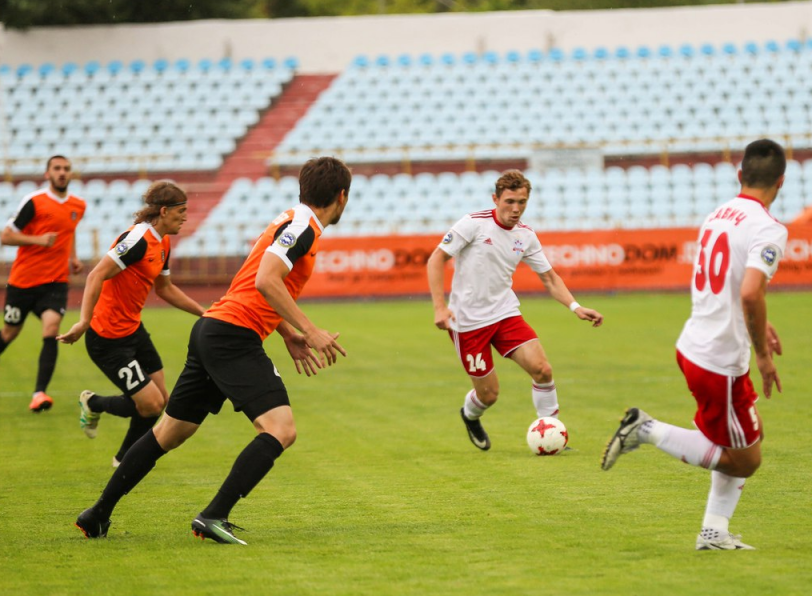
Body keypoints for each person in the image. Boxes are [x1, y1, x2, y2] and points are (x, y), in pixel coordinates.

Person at [74, 156, 350, 545]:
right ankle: (213, 515)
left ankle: (97, 513)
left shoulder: (288, 219)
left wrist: (286, 332)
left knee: (170, 431)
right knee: (280, 429)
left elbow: (253, 282)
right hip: (231, 337)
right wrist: (310, 329)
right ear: (342, 196)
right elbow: (267, 280)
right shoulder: (302, 227)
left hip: (214, 329)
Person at [601, 139, 788, 551]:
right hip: (720, 359)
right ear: (782, 181)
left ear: (740, 175)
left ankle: (714, 533)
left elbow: (733, 282)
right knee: (747, 459)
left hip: (696, 345)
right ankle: (645, 430)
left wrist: (761, 320)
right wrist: (761, 353)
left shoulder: (718, 213)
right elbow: (751, 291)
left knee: (736, 444)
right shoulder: (769, 228)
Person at [426, 170, 603, 451]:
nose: (516, 209)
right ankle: (470, 415)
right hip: (467, 323)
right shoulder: (472, 224)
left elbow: (549, 278)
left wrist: (575, 306)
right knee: (489, 395)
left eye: (522, 202)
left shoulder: (526, 236)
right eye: (509, 201)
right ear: (495, 199)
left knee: (542, 369)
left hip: (505, 314)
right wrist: (439, 307)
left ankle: (552, 431)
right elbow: (436, 259)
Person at [57, 181, 205, 467]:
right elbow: (95, 276)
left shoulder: (162, 241)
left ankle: (121, 454)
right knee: (149, 404)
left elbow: (165, 288)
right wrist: (84, 321)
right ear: (164, 211)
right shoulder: (137, 240)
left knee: (161, 400)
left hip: (133, 330)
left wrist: (204, 312)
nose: (185, 216)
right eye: (181, 211)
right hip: (107, 337)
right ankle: (103, 420)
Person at [0, 155, 85, 412]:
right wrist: (38, 241)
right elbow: (6, 236)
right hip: (23, 282)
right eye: (57, 168)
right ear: (47, 174)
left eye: (66, 169)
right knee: (9, 333)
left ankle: (39, 394)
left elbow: (69, 231)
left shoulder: (78, 205)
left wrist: (73, 257)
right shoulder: (34, 202)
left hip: (55, 282)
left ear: (71, 174)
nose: (62, 173)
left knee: (51, 329)